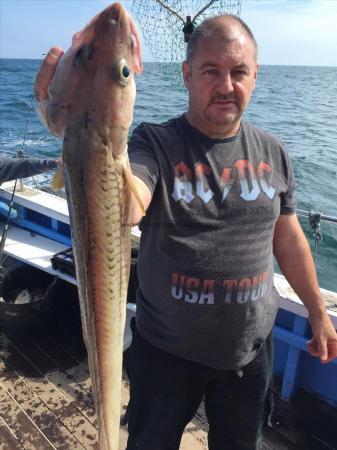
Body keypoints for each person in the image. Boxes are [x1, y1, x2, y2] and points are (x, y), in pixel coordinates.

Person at [123, 14, 337, 450]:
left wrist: (317, 308)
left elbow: (288, 237)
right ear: (187, 75)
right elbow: (125, 203)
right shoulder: (153, 143)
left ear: (255, 75)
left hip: (249, 354)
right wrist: (85, 119)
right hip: (165, 352)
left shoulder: (273, 151)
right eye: (211, 71)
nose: (226, 86)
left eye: (239, 71)